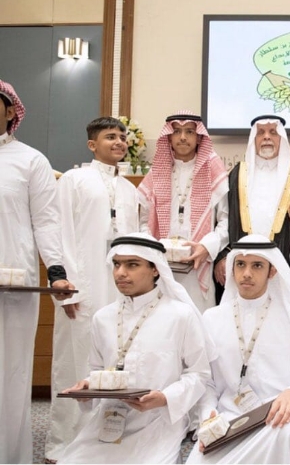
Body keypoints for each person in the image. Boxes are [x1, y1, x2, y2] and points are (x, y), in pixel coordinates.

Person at [59, 234, 212, 464]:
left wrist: (165, 398)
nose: (120, 273)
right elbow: (98, 370)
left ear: (155, 269)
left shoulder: (181, 315)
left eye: (132, 265)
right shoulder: (103, 317)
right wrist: (88, 386)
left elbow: (199, 374)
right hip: (108, 420)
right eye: (116, 264)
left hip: (158, 421)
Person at [45, 117, 140, 462]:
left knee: (114, 362)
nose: (119, 142)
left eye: (122, 137)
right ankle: (63, 444)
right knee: (74, 363)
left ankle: (106, 441)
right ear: (92, 145)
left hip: (120, 292)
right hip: (80, 288)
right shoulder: (74, 180)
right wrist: (65, 287)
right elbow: (58, 232)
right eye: (110, 136)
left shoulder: (129, 189)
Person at [185, 235, 290, 464]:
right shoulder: (212, 318)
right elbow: (207, 382)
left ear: (272, 271)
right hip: (230, 418)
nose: (247, 273)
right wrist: (208, 414)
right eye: (240, 264)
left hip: (279, 415)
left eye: (257, 265)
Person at [0, 79, 75, 464]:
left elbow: (46, 222)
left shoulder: (31, 160)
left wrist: (56, 271)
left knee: (10, 372)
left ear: (11, 110)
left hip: (15, 284)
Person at [138, 110, 229, 312]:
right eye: (177, 131)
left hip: (198, 265)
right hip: (161, 265)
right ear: (168, 137)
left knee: (197, 321)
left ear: (199, 137)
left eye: (189, 131)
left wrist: (206, 247)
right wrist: (153, 247)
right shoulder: (156, 172)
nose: (182, 137)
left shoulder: (213, 171)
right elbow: (144, 221)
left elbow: (226, 221)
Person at [220, 115, 290, 277]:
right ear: (253, 139)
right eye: (260, 132)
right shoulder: (238, 173)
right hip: (243, 264)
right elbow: (225, 218)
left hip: (283, 263)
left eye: (273, 132)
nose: (267, 137)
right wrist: (222, 255)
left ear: (281, 138)